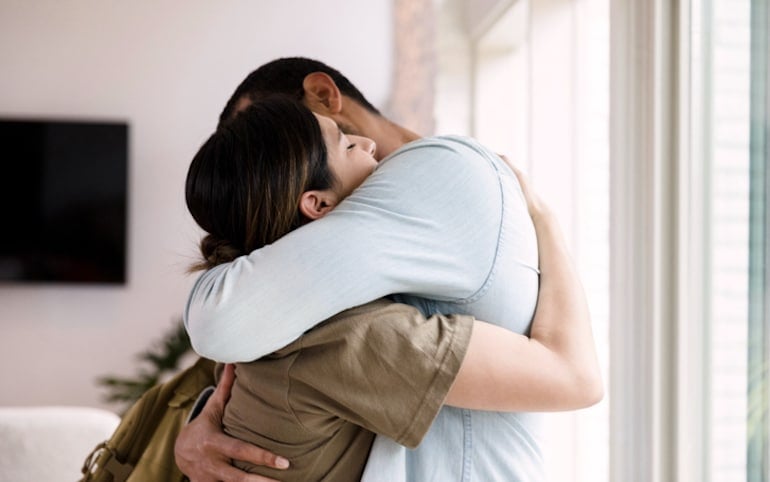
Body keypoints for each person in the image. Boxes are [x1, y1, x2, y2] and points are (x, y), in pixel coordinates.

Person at [176, 57, 601, 482]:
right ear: (315, 203)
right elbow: (574, 378)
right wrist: (548, 223)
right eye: (345, 145)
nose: (366, 145)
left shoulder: (294, 311)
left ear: (324, 96)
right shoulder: (345, 335)